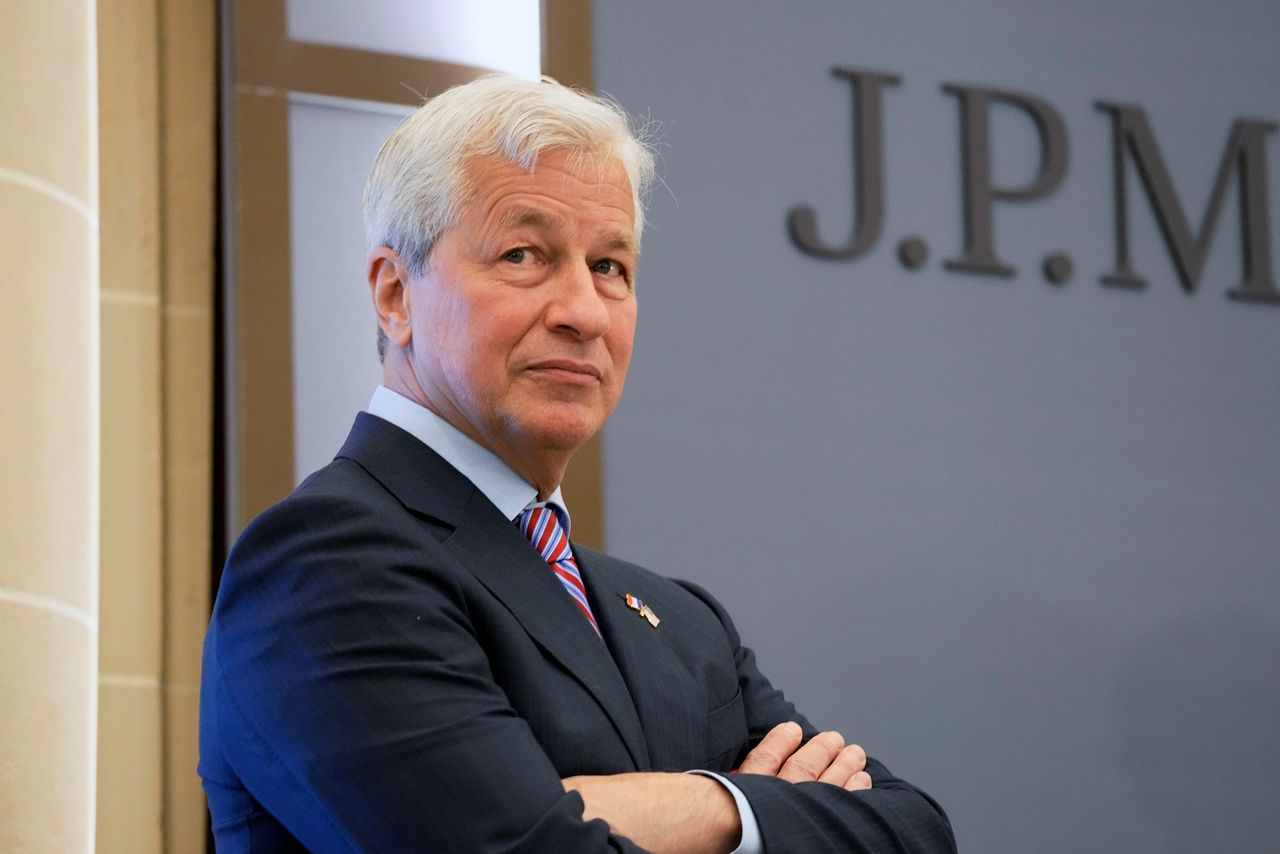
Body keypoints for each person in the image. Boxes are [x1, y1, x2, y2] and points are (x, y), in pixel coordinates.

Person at [199, 74, 956, 853]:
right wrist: (759, 812)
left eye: (609, 267)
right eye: (523, 255)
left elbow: (915, 832)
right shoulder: (326, 562)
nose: (585, 313)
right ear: (396, 295)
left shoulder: (681, 625)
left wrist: (711, 804)